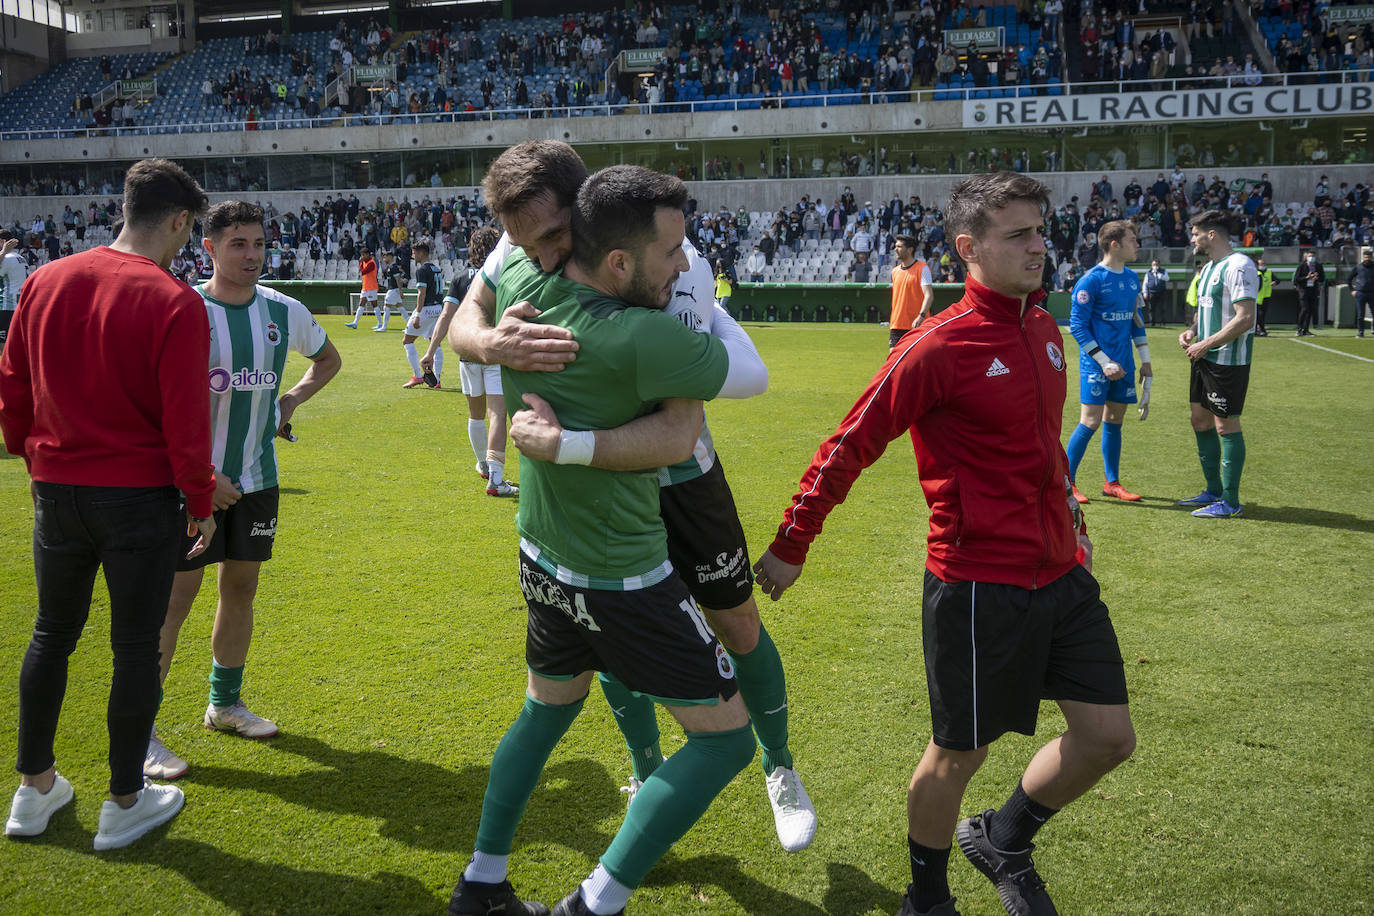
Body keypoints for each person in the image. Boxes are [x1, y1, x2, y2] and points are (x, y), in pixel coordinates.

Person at [753, 172, 1135, 916]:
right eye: (1018, 234)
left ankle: (1003, 837)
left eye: (1040, 230)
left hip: (1060, 572)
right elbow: (850, 442)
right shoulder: (939, 344)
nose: (1039, 245)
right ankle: (926, 899)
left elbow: (1040, 450)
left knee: (1108, 738)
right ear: (970, 248)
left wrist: (1069, 516)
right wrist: (792, 542)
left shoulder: (1042, 327)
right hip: (977, 583)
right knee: (961, 752)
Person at [447, 141, 814, 855]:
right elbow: (468, 310)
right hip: (591, 490)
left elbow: (701, 410)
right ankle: (647, 770)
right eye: (531, 245)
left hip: (679, 482)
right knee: (609, 644)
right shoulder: (527, 250)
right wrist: (494, 346)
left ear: (590, 206)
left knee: (736, 624)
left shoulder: (669, 267)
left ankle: (779, 766)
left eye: (556, 237)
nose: (547, 260)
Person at [0, 158, 217, 850]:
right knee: (132, 647)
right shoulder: (175, 300)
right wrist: (202, 501)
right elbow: (186, 422)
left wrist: (27, 446)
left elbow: (12, 384)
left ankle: (33, 789)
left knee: (51, 633)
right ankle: (124, 799)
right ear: (181, 222)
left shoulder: (44, 278)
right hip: (136, 498)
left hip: (55, 488)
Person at [146, 201, 341, 780]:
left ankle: (223, 704)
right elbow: (153, 403)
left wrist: (289, 402)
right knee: (174, 601)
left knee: (242, 587)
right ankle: (141, 727)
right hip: (190, 486)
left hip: (258, 479)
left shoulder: (282, 309)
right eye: (238, 244)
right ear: (208, 248)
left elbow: (328, 359)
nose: (252, 255)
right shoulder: (184, 309)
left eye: (258, 243)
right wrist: (202, 477)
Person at [1177, 209, 1258, 519]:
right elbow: (1205, 310)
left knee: (1226, 424)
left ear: (1212, 234)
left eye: (1196, 233)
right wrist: (1193, 332)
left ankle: (1230, 501)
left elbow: (1245, 318)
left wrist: (1206, 343)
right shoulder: (1209, 268)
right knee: (1199, 420)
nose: (1192, 238)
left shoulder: (1239, 266)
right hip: (1203, 357)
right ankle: (1212, 491)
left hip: (1228, 361)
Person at [1065, 220, 1152, 504]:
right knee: (1089, 421)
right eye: (1132, 239)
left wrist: (1145, 361)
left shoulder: (1130, 279)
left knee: (1114, 420)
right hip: (1097, 366)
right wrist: (1103, 361)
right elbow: (1077, 327)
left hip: (1124, 363)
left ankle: (1112, 483)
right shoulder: (1091, 280)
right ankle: (1066, 483)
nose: (1137, 244)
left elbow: (1136, 323)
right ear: (1114, 244)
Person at [401, 240, 444, 388]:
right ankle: (437, 380)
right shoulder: (437, 269)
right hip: (438, 308)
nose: (413, 255)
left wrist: (418, 314)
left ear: (421, 253)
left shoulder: (421, 271)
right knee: (435, 343)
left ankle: (418, 376)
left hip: (426, 309)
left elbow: (422, 293)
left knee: (407, 340)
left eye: (414, 252)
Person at [888, 233, 934, 348]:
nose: (895, 249)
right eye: (895, 246)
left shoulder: (922, 269)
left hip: (917, 325)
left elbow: (929, 295)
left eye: (899, 247)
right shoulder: (895, 271)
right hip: (897, 324)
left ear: (909, 250)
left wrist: (921, 316)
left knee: (918, 364)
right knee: (895, 363)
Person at [0, 231, 30, 354]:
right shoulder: (21, 258)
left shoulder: (5, 259)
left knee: (3, 344)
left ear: (2, 241)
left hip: (5, 305)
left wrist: (2, 252)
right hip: (18, 304)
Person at [1292, 251, 1325, 336]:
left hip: (1313, 289)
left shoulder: (1318, 266)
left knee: (1310, 310)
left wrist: (1316, 278)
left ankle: (1306, 330)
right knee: (1304, 309)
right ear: (1306, 257)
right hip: (1304, 289)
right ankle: (1299, 328)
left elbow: (1322, 278)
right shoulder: (1302, 266)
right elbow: (1296, 279)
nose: (1312, 257)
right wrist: (1307, 277)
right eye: (1310, 256)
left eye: (1313, 256)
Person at [346, 247, 378, 328]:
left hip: (371, 287)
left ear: (367, 255)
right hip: (365, 287)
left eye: (363, 255)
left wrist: (360, 263)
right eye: (361, 255)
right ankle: (355, 323)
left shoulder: (371, 263)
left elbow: (363, 272)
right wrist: (361, 263)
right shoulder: (365, 262)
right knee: (361, 304)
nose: (362, 257)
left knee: (375, 305)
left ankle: (380, 323)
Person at [377, 250, 409, 331]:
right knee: (400, 307)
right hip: (395, 290)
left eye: (385, 256)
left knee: (386, 306)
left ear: (390, 257)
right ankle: (409, 326)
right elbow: (396, 279)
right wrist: (402, 281)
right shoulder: (391, 267)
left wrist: (401, 291)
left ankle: (384, 327)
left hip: (393, 290)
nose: (384, 258)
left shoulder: (393, 267)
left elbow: (397, 279)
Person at [1347, 246, 1374, 337]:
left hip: (1372, 293)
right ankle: (1360, 332)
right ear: (1363, 257)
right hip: (1360, 293)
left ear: (1372, 257)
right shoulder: (1358, 267)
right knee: (1360, 314)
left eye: (1369, 257)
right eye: (1366, 257)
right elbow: (1349, 279)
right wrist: (1352, 290)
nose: (1367, 259)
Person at [1141, 259, 1169, 328]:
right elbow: (1145, 283)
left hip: (1162, 292)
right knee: (1151, 309)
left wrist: (1159, 274)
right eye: (1154, 265)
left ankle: (1163, 323)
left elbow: (1167, 278)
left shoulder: (1163, 271)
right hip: (1152, 293)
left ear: (1159, 265)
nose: (1155, 266)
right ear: (1151, 265)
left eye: (1156, 265)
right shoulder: (1148, 273)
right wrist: (1145, 293)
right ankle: (1152, 322)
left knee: (1162, 308)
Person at [1253, 257, 1273, 337]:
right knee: (1257, 316)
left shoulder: (1258, 274)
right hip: (1257, 298)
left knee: (1259, 315)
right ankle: (1258, 330)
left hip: (1258, 298)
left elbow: (1259, 287)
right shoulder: (1257, 273)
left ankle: (1261, 330)